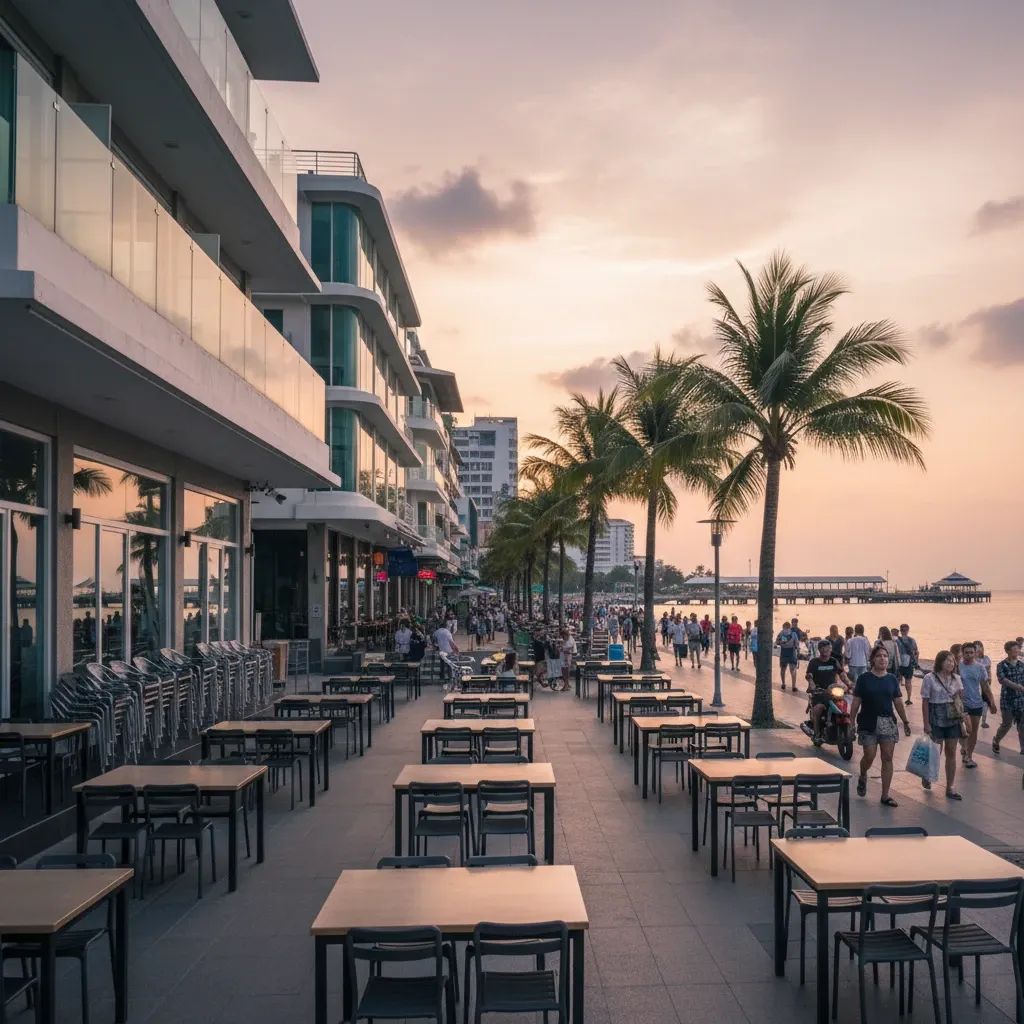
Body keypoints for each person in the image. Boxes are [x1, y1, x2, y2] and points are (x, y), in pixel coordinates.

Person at [849, 645, 911, 807]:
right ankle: (863, 774)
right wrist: (851, 721)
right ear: (873, 660)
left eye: (885, 656)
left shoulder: (891, 679)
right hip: (867, 722)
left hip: (887, 722)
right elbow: (856, 702)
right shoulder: (864, 678)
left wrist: (905, 721)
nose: (883, 658)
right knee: (869, 755)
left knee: (887, 757)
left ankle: (885, 795)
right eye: (879, 656)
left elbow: (897, 702)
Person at [920, 650, 966, 800]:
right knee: (935, 751)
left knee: (951, 752)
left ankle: (950, 787)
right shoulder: (929, 678)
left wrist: (963, 718)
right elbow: (925, 701)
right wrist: (926, 723)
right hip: (936, 715)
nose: (951, 663)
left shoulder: (957, 678)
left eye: (953, 661)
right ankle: (928, 775)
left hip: (953, 717)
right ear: (940, 662)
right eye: (948, 660)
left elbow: (961, 700)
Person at [958, 642, 996, 768]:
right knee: (962, 729)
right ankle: (964, 746)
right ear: (962, 653)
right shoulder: (957, 666)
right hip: (960, 703)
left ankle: (968, 756)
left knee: (973, 731)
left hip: (976, 703)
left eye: (971, 652)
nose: (968, 655)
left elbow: (985, 686)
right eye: (966, 653)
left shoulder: (980, 668)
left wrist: (992, 702)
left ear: (975, 653)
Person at [805, 639, 850, 741]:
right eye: (823, 648)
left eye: (828, 648)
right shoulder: (814, 662)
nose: (825, 650)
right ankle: (816, 734)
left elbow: (842, 674)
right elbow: (809, 675)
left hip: (833, 691)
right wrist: (812, 684)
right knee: (818, 708)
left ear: (831, 649)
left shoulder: (833, 661)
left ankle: (848, 729)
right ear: (819, 649)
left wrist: (849, 684)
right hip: (819, 693)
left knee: (844, 704)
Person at [992, 640, 1024, 755]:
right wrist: (1018, 687)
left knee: (1022, 725)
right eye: (1014, 649)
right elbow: (1002, 680)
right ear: (1008, 651)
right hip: (1007, 700)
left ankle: (1023, 749)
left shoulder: (1022, 665)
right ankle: (996, 740)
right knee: (1007, 724)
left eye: (1018, 649)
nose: (1017, 651)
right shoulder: (1001, 665)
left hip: (1021, 700)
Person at [894, 624, 919, 704]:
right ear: (908, 630)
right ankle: (908, 699)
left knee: (896, 682)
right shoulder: (912, 640)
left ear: (900, 631)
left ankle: (896, 698)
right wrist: (916, 662)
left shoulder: (896, 640)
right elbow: (916, 652)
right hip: (909, 664)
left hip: (899, 663)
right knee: (908, 682)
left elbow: (894, 653)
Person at [776, 620, 799, 691]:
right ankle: (793, 686)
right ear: (790, 627)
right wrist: (796, 649)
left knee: (783, 669)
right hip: (792, 652)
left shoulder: (781, 633)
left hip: (783, 652)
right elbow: (797, 644)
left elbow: (777, 642)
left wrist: (781, 643)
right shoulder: (794, 633)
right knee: (793, 670)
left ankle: (783, 684)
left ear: (783, 627)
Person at [975, 640, 992, 728]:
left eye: (980, 646)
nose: (978, 648)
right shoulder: (971, 659)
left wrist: (990, 680)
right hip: (974, 685)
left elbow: (989, 671)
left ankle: (983, 721)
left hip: (985, 684)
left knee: (985, 702)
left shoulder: (986, 658)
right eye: (976, 647)